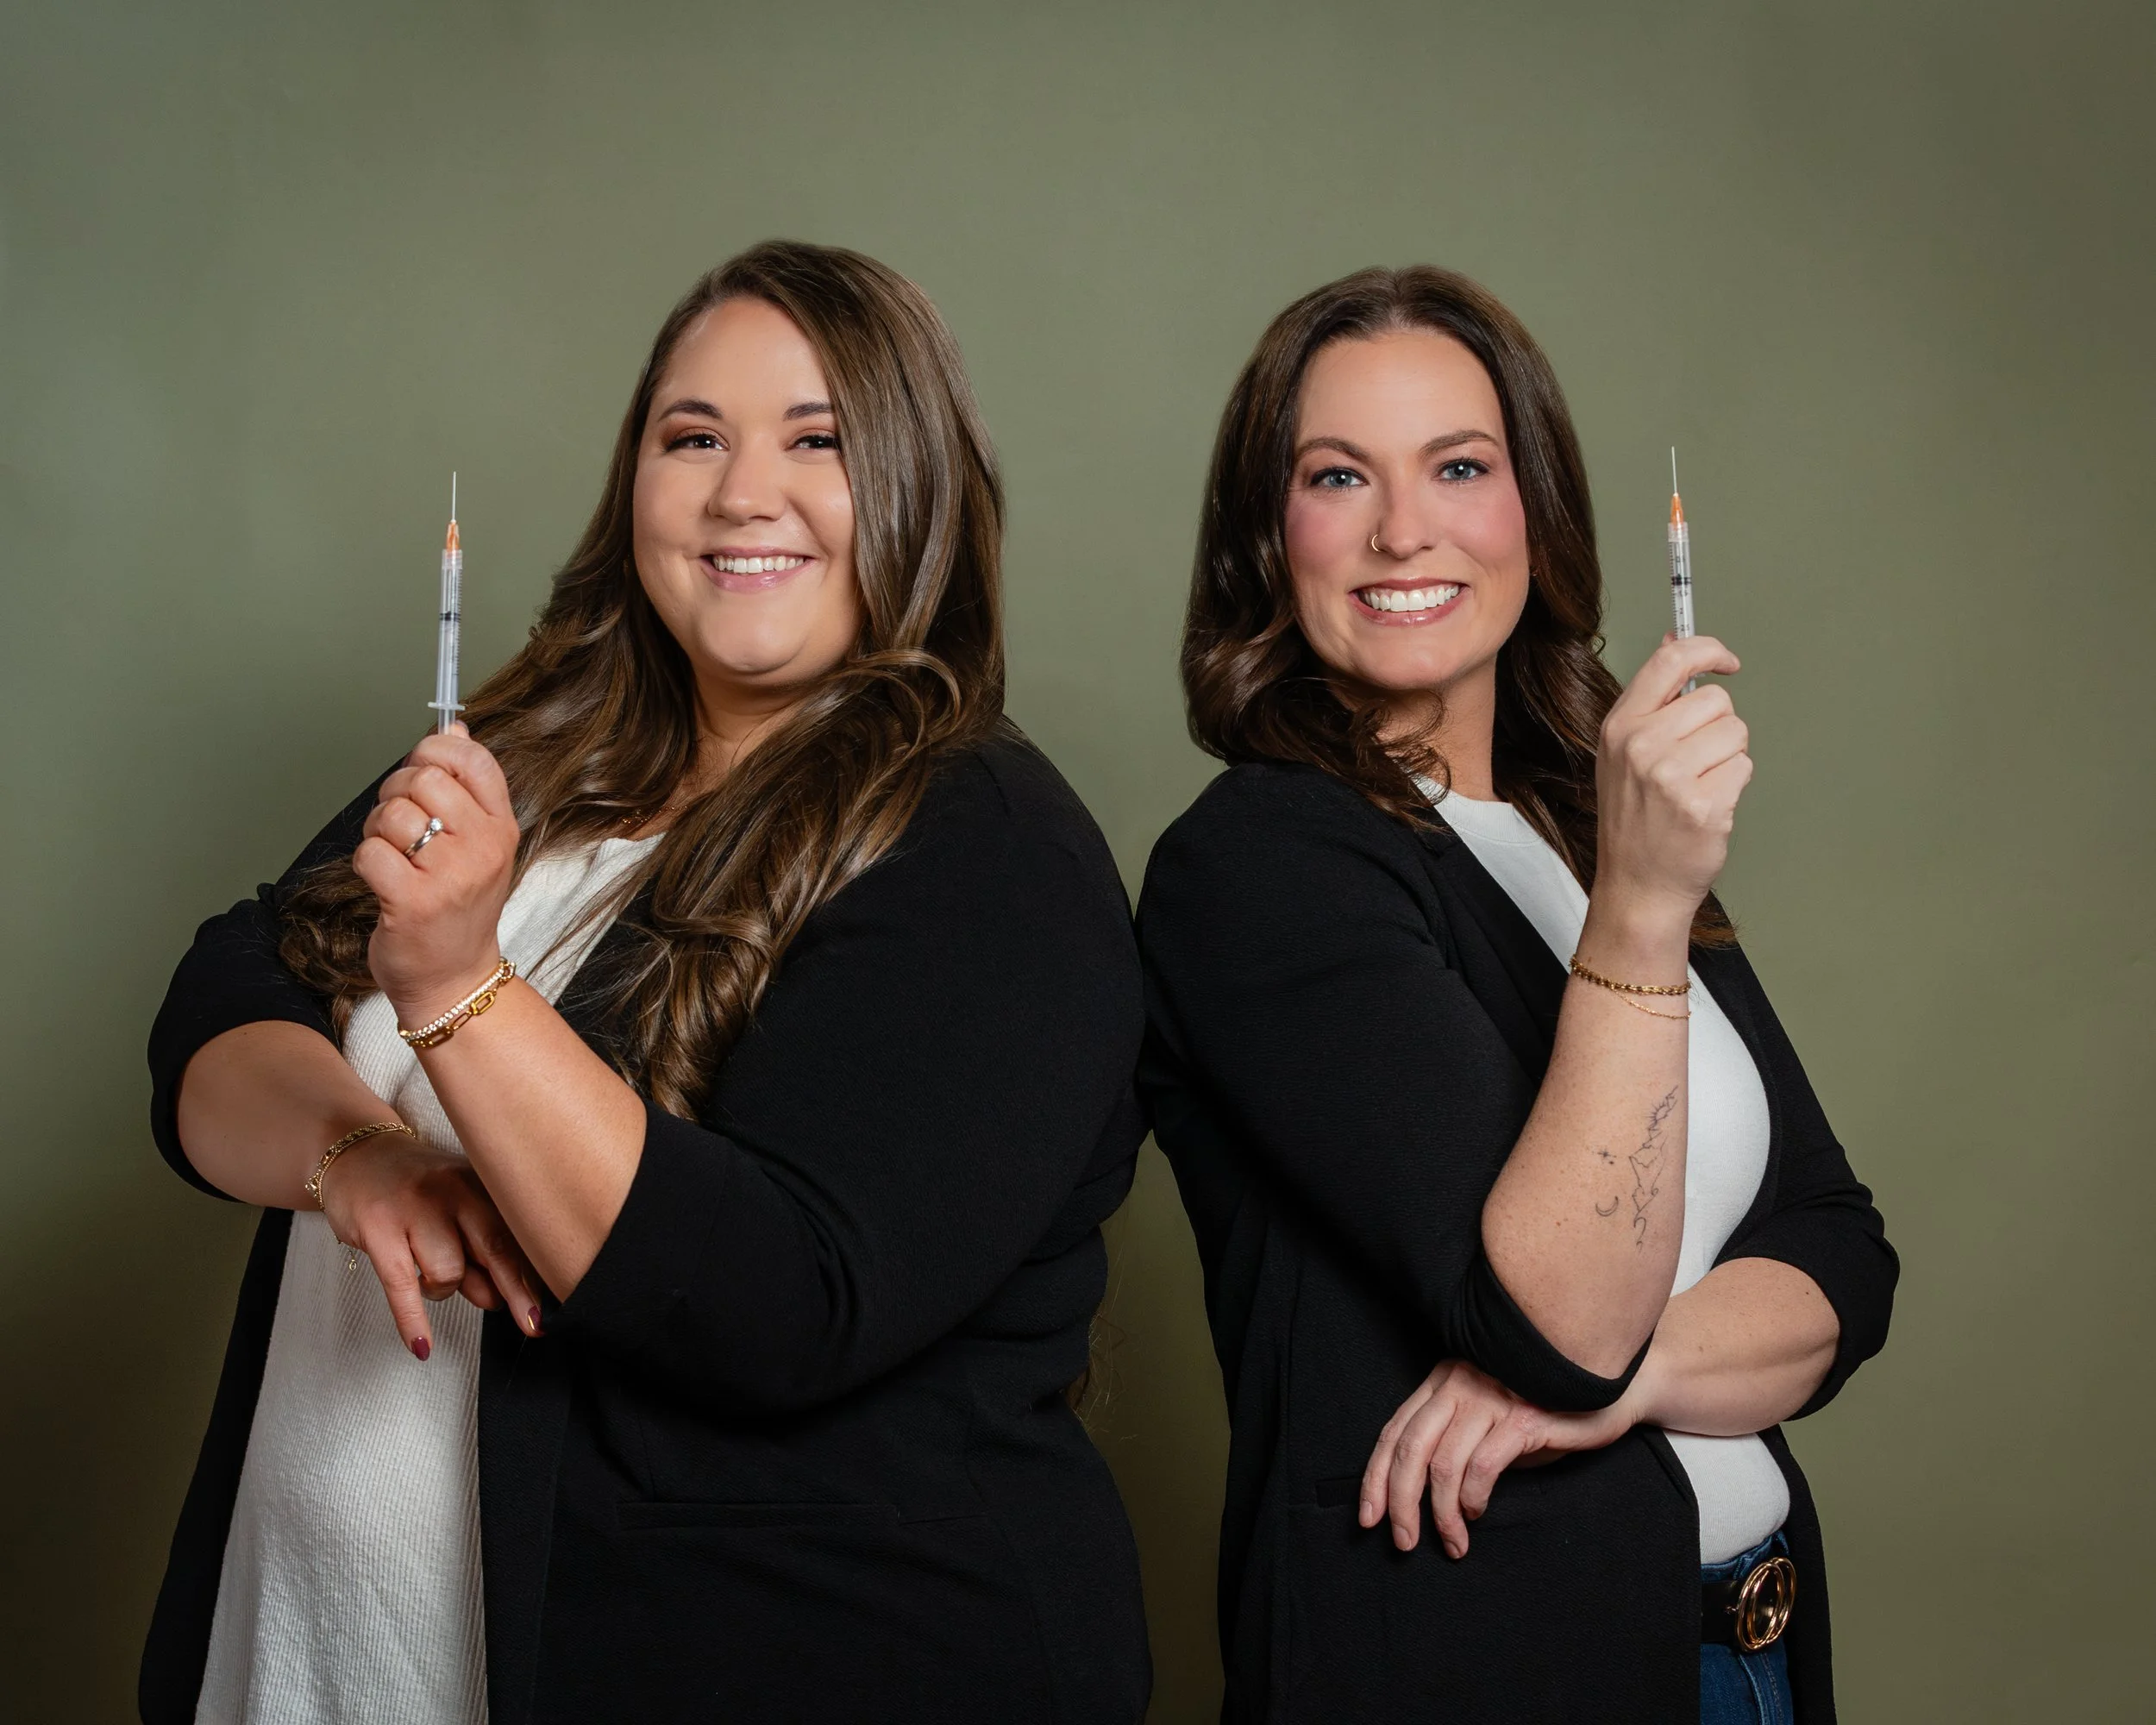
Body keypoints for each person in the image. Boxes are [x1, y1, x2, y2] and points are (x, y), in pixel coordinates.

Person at [141, 240, 1150, 1725]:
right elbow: (227, 994)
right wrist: (359, 1156)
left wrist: (462, 988)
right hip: (325, 1659)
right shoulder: (527, 758)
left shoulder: (985, 843)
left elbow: (779, 1303)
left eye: (818, 440)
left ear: (919, 484)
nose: (745, 493)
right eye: (694, 438)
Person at [1137, 266, 1896, 1722]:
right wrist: (1644, 909)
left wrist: (1640, 1379)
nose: (1402, 530)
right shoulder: (1264, 862)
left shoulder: (1584, 825)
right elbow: (1557, 1324)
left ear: (1535, 518)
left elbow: (1842, 1262)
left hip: (1745, 1658)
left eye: (1460, 468)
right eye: (1338, 476)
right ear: (1266, 539)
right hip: (1477, 1673)